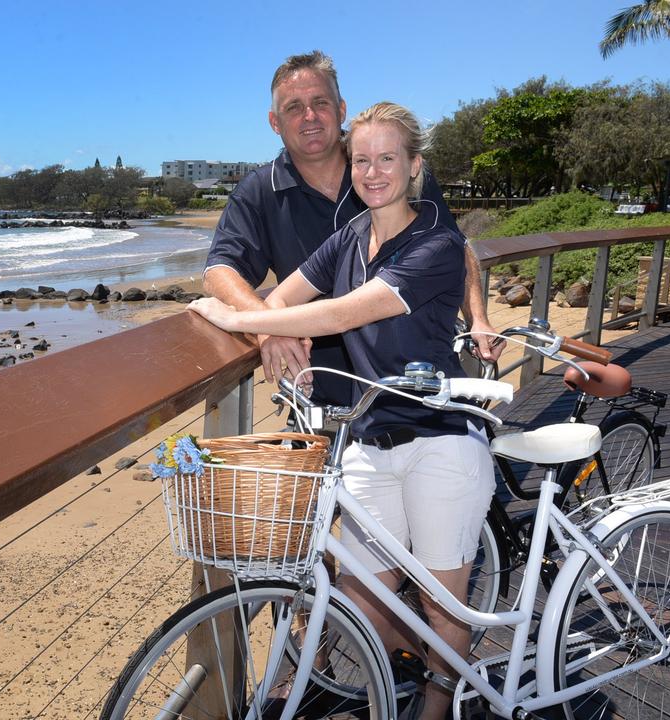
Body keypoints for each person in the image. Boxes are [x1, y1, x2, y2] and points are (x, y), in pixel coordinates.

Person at [189, 101, 497, 720]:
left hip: (440, 441)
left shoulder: (436, 242)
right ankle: (408, 683)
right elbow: (287, 297)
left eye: (388, 158)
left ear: (414, 167)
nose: (373, 171)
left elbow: (346, 312)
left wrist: (239, 318)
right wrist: (270, 331)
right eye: (362, 159)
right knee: (365, 607)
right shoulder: (349, 237)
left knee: (443, 603)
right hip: (368, 440)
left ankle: (437, 708)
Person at [204, 50, 502, 412]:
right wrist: (269, 328)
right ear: (274, 121)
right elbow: (220, 270)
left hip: (417, 388)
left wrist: (479, 318)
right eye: (293, 107)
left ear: (341, 109)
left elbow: (456, 245)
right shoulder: (258, 191)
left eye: (320, 102)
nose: (309, 116)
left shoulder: (392, 174)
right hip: (318, 389)